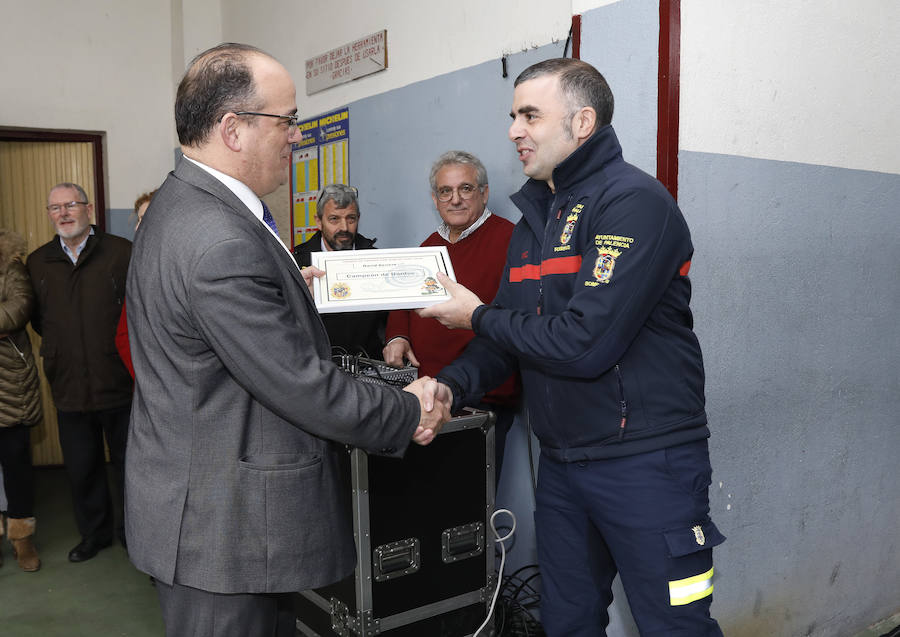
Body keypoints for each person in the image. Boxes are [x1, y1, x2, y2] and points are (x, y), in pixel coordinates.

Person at [125, 43, 450, 637]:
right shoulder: (219, 239)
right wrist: (408, 409)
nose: (296, 136)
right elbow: (300, 385)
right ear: (233, 129)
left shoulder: (184, 205)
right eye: (288, 120)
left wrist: (281, 290)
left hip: (216, 515)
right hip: (220, 532)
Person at [419, 58, 725, 636]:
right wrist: (448, 386)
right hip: (563, 465)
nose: (514, 130)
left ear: (581, 122)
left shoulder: (634, 202)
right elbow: (509, 337)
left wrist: (476, 314)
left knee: (674, 627)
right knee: (567, 623)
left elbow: (585, 343)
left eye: (530, 115)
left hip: (645, 463)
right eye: (513, 115)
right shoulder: (537, 216)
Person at [383, 150, 519, 478]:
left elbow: (516, 317)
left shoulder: (512, 240)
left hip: (481, 400)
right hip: (427, 393)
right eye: (446, 191)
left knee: (469, 504)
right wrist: (398, 334)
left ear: (484, 193)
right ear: (435, 198)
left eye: (466, 189)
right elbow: (404, 298)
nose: (455, 199)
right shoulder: (428, 246)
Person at [26, 183, 132, 563]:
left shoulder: (121, 252)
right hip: (69, 383)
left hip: (118, 380)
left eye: (71, 205)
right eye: (55, 208)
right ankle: (94, 534)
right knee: (82, 468)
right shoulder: (38, 263)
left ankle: (132, 535)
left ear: (88, 209)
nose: (64, 213)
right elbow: (40, 320)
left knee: (128, 468)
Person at [292, 183, 386, 357]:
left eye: (351, 219)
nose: (344, 227)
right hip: (317, 366)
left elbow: (392, 315)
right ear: (318, 221)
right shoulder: (296, 263)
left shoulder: (376, 260)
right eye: (334, 219)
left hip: (369, 363)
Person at [0, 228, 43, 572]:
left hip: (9, 386)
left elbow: (18, 311)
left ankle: (22, 538)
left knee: (16, 467)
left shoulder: (11, 266)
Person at [115, 189, 157, 379]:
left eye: (144, 219)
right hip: (152, 386)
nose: (137, 228)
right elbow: (124, 336)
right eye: (138, 220)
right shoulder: (140, 269)